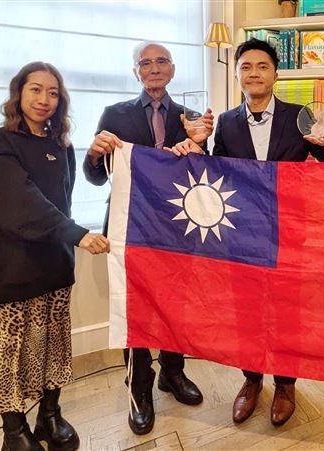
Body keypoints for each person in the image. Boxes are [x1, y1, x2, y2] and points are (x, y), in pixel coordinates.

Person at [0, 61, 109, 451]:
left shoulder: (61, 146)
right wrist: (77, 235)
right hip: (9, 266)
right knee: (10, 348)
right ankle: (14, 430)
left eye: (53, 92)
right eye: (35, 89)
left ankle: (49, 415)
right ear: (19, 93)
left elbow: (62, 201)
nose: (44, 99)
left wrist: (67, 239)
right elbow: (20, 201)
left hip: (53, 263)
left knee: (54, 342)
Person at [212, 38, 324, 426]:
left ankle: (286, 384)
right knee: (247, 312)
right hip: (242, 233)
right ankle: (251, 380)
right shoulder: (226, 122)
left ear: (276, 74)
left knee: (287, 310)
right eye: (246, 67)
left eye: (262, 66)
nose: (253, 73)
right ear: (237, 75)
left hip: (289, 230)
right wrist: (197, 147)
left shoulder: (301, 115)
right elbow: (217, 174)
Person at [83, 41, 212, 435]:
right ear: (135, 71)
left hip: (176, 227)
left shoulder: (190, 115)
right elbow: (95, 177)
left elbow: (206, 177)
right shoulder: (114, 114)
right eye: (145, 63)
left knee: (177, 304)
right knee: (134, 307)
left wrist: (200, 144)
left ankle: (173, 372)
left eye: (161, 61)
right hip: (129, 227)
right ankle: (139, 386)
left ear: (172, 68)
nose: (154, 68)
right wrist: (94, 154)